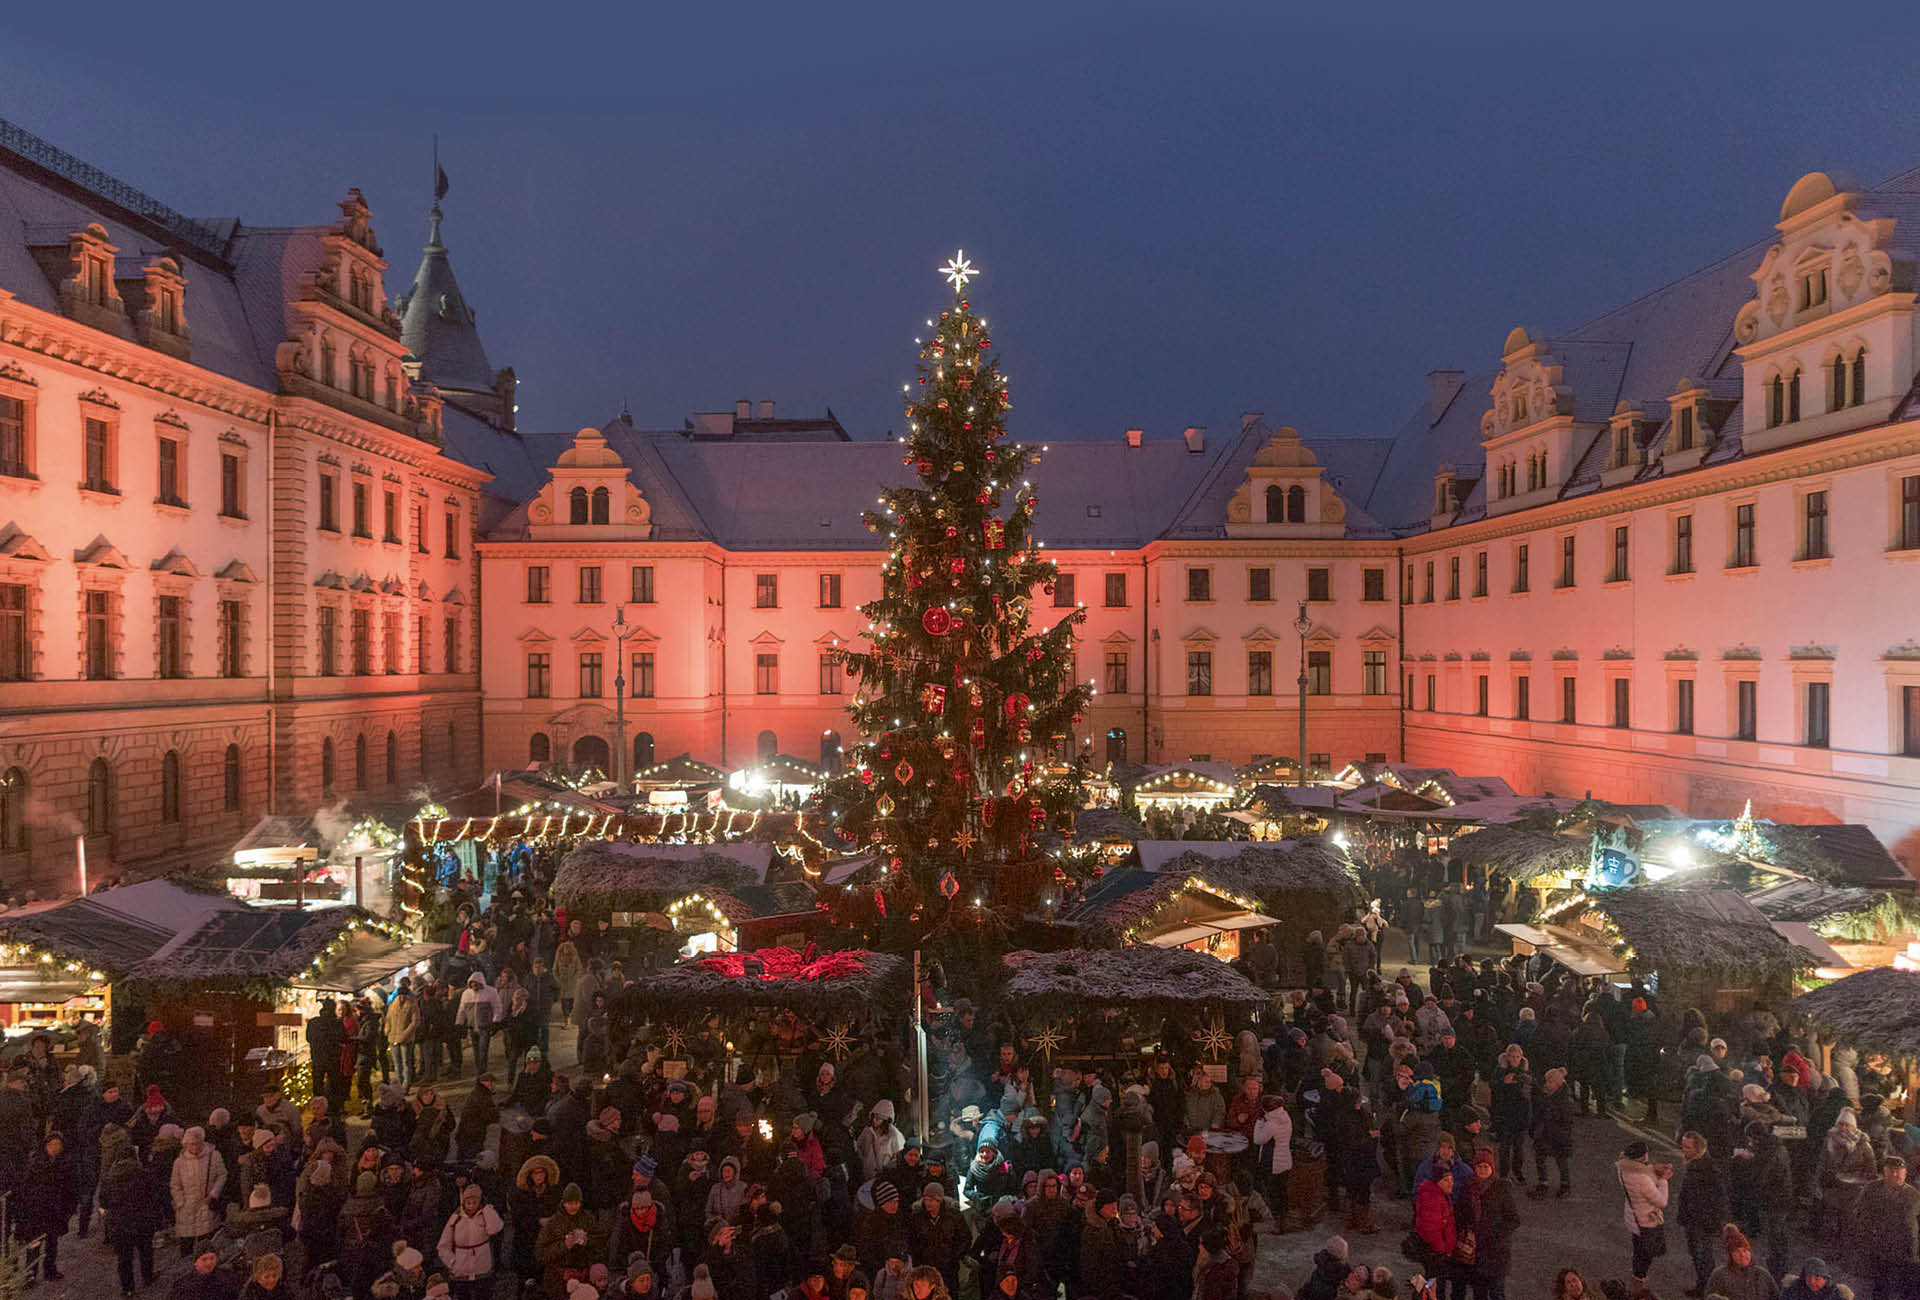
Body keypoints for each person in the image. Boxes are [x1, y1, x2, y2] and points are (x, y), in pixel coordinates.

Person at [1855, 1155, 1920, 1300]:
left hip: (1907, 1252)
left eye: (1899, 1170)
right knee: (1881, 1288)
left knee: (1909, 1291)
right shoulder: (1872, 1190)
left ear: (1905, 1173)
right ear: (1885, 1172)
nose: (1896, 1174)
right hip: (1881, 1249)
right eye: (1892, 1170)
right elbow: (1860, 1216)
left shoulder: (1914, 1195)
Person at [1676, 1129, 1730, 1298]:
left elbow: (1719, 1197)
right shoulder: (1696, 1165)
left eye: (1687, 1147)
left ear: (1698, 1149)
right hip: (1695, 1219)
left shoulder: (1708, 1169)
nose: (1683, 1150)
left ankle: (1707, 1289)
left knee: (1703, 1256)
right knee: (1698, 1254)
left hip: (1701, 1221)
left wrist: (1713, 1220)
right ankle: (1703, 1286)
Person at [101, 1151, 162, 1296]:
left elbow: (103, 1202)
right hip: (142, 1220)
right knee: (145, 1250)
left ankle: (128, 1288)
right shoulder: (144, 1174)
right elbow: (153, 1197)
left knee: (124, 1258)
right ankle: (147, 1277)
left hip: (119, 1223)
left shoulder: (109, 1178)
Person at [1616, 1140, 1672, 1290]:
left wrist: (1653, 1170)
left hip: (1634, 1218)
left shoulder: (1624, 1168)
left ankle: (1637, 1277)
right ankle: (1639, 1283)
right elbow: (1661, 1201)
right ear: (1642, 1157)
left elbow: (1644, 1171)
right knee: (1645, 1255)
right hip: (1646, 1221)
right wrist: (1663, 1180)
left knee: (1638, 1250)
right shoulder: (1641, 1179)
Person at [437, 1181, 504, 1300]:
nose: (471, 1206)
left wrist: (487, 1209)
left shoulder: (485, 1215)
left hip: (482, 1268)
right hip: (461, 1270)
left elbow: (495, 1228)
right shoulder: (455, 1218)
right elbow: (443, 1245)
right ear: (464, 1202)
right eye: (468, 1203)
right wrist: (452, 1262)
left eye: (475, 1202)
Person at [24, 1131, 77, 1281]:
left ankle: (49, 1270)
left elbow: (69, 1188)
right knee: (35, 1243)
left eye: (58, 1145)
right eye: (53, 1145)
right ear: (46, 1146)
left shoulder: (64, 1163)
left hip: (55, 1210)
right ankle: (30, 1274)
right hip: (38, 1209)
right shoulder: (37, 1163)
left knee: (52, 1243)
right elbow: (27, 1186)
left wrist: (68, 1208)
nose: (56, 1148)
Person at [170, 1124, 228, 1258]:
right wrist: (180, 1202)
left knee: (206, 1244)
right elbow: (175, 1184)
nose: (194, 1147)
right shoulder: (179, 1162)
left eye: (197, 1143)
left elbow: (222, 1175)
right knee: (186, 1247)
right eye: (191, 1144)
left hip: (205, 1205)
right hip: (186, 1208)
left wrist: (213, 1194)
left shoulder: (214, 1156)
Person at [1707, 1223, 1783, 1300]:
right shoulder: (1719, 1275)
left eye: (1745, 1250)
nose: (1742, 1255)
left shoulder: (1763, 1275)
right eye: (1737, 1252)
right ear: (1731, 1255)